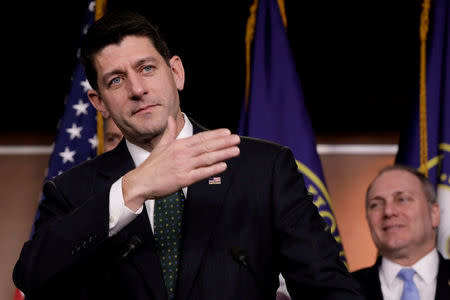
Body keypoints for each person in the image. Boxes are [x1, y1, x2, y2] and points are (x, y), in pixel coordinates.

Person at [13, 11, 363, 300]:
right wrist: (131, 189)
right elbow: (32, 277)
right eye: (116, 80)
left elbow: (331, 289)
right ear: (99, 103)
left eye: (147, 68)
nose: (137, 89)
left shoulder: (263, 168)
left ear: (176, 73)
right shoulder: (72, 190)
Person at [352, 165, 450, 300]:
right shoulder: (340, 290)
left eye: (402, 199)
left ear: (434, 214)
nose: (388, 211)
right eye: (376, 204)